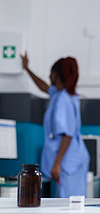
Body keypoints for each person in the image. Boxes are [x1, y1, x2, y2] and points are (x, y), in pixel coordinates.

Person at [21, 52, 90, 198]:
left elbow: (67, 134)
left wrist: (57, 163)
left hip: (69, 163)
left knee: (70, 205)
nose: (49, 76)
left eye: (50, 73)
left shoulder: (64, 99)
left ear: (56, 75)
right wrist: (27, 68)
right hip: (69, 161)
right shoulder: (59, 94)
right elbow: (43, 87)